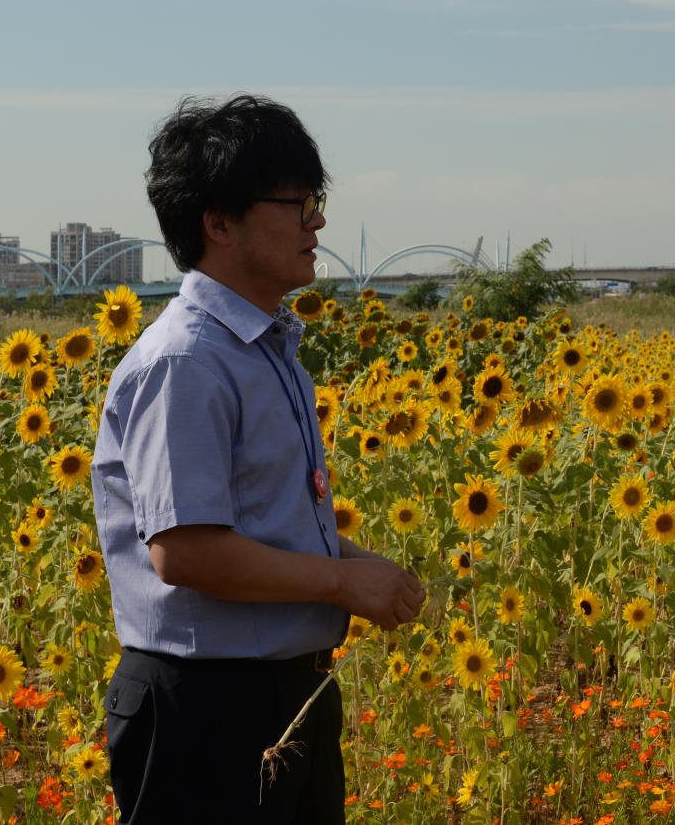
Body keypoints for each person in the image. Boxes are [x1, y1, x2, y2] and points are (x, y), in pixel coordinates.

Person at [92, 95, 425, 824]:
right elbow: (187, 553)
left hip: (282, 695)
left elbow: (255, 527)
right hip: (205, 711)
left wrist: (356, 564)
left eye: (317, 201)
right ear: (218, 222)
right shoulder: (187, 362)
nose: (318, 223)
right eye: (298, 203)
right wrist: (340, 581)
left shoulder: (264, 352)